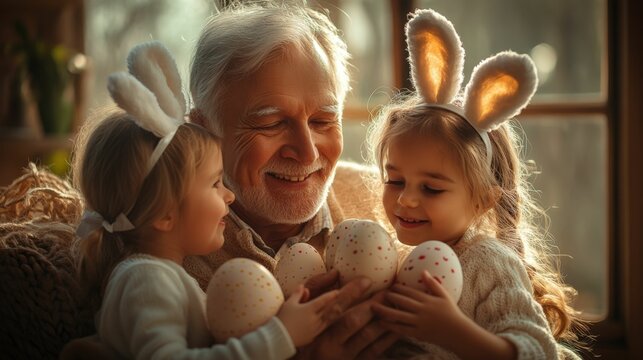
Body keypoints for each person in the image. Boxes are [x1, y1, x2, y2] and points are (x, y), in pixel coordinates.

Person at [70, 41, 340, 359]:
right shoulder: (147, 280)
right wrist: (281, 335)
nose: (227, 194)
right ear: (165, 214)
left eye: (322, 120)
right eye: (215, 183)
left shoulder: (161, 275)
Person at [183, 1, 400, 358]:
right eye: (271, 124)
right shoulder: (165, 250)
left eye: (323, 121)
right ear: (203, 130)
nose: (308, 153)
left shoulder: (393, 205)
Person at [366, 9, 586, 359]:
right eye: (395, 180)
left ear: (483, 200)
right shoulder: (395, 259)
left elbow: (537, 352)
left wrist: (453, 331)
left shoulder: (488, 263)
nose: (405, 199)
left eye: (431, 188)